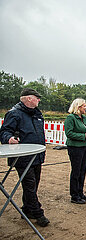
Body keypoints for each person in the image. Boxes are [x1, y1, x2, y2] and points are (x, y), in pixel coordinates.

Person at [0, 88, 50, 227]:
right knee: (30, 185)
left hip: (37, 156)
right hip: (22, 157)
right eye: (37, 97)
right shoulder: (14, 114)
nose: (39, 100)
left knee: (34, 185)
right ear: (28, 98)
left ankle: (27, 209)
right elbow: (4, 132)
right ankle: (38, 214)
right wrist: (9, 138)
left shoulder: (37, 114)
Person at [64, 98, 86, 204]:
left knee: (82, 170)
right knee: (76, 171)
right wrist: (83, 136)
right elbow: (69, 133)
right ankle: (74, 195)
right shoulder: (70, 118)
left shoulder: (84, 118)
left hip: (84, 147)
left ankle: (80, 192)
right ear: (78, 107)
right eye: (84, 105)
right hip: (75, 147)